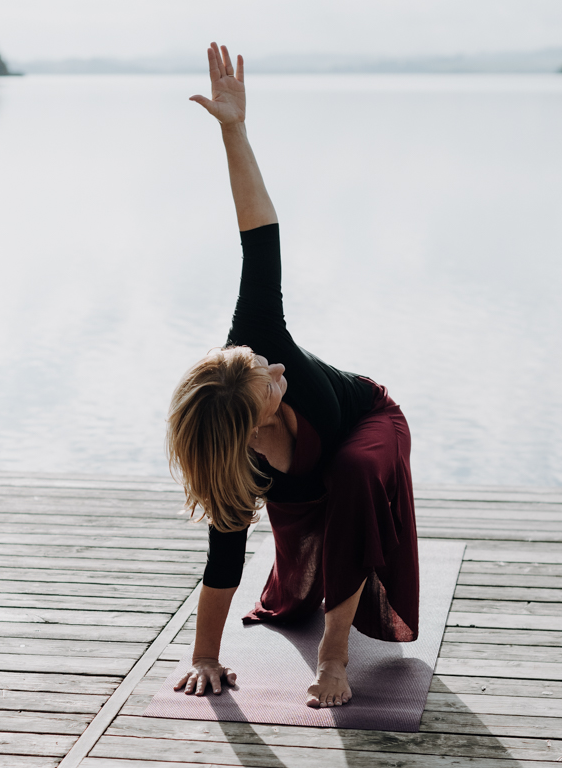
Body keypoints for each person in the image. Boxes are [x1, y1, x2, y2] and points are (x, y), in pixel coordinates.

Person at [167, 43, 419, 709]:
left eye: (265, 365)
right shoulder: (237, 464)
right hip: (300, 471)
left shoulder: (256, 337)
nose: (277, 366)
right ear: (249, 427)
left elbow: (260, 232)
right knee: (308, 522)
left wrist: (233, 129)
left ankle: (334, 654)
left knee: (351, 477)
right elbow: (223, 563)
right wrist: (203, 657)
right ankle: (311, 601)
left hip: (366, 421)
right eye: (268, 381)